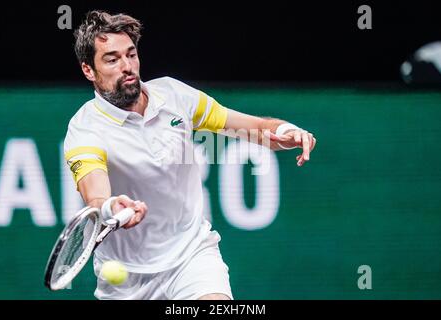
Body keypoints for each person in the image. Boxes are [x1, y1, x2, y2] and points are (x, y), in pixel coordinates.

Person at [65, 10, 316, 300]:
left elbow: (257, 131)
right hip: (124, 277)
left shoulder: (174, 96)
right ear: (88, 70)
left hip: (191, 256)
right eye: (112, 59)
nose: (127, 66)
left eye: (131, 54)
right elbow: (95, 196)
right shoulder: (85, 129)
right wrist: (111, 207)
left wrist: (287, 131)